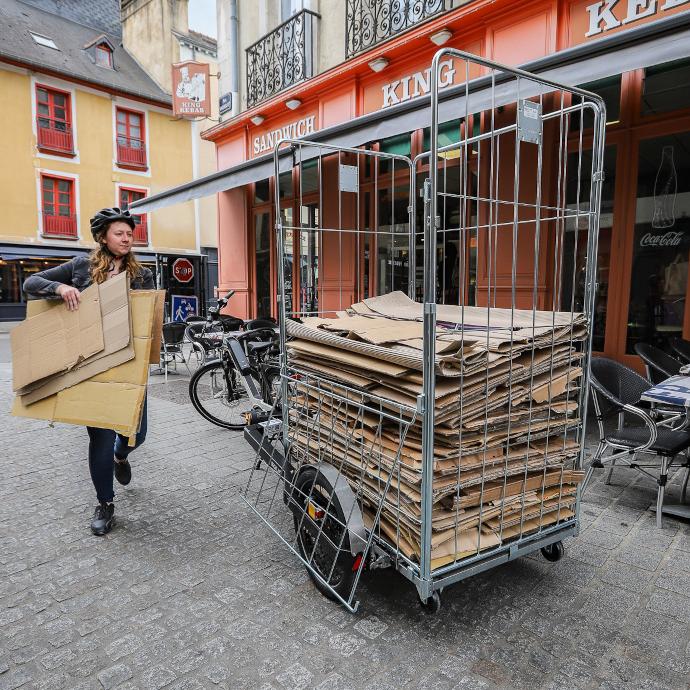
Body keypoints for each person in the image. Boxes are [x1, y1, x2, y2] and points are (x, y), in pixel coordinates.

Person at [23, 208, 155, 536]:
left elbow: (150, 316)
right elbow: (31, 283)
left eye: (129, 233)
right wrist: (61, 290)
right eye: (119, 233)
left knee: (137, 433)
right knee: (99, 436)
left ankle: (121, 457)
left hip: (129, 362)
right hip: (91, 365)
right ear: (102, 237)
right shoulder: (81, 267)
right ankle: (105, 503)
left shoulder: (143, 273)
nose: (126, 239)